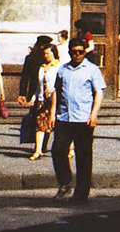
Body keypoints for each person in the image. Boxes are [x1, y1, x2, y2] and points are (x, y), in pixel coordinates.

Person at [49, 39, 105, 203]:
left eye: (80, 52)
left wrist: (94, 114)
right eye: (74, 52)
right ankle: (65, 182)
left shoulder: (92, 69)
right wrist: (52, 113)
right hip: (64, 117)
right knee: (58, 150)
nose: (77, 55)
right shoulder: (63, 70)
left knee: (83, 156)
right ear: (69, 52)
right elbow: (57, 92)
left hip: (83, 118)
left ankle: (81, 193)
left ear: (85, 52)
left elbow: (99, 92)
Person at [29, 45, 60, 161]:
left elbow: (62, 83)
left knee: (59, 125)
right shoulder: (42, 68)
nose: (46, 56)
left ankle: (69, 148)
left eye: (48, 53)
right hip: (43, 100)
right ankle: (38, 150)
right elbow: (39, 85)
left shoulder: (59, 67)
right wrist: (34, 97)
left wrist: (54, 89)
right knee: (40, 124)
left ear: (54, 53)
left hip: (56, 100)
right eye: (44, 54)